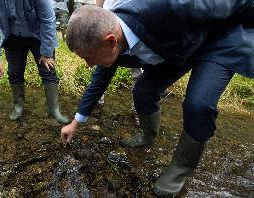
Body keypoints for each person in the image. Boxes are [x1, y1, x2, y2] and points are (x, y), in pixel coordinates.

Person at [61, 1, 254, 196]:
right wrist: (75, 123)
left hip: (217, 39)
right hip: (177, 48)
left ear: (111, 41)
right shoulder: (109, 36)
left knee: (198, 104)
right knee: (143, 91)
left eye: (89, 57)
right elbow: (97, 85)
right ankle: (148, 135)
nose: (88, 65)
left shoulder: (171, 6)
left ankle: (180, 170)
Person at [0, 0, 69, 124]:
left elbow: (48, 19)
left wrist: (47, 53)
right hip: (12, 35)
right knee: (14, 72)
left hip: (39, 34)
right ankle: (18, 107)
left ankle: (54, 110)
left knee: (48, 69)